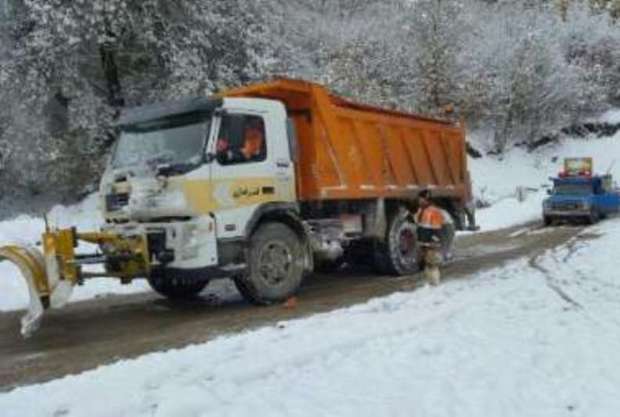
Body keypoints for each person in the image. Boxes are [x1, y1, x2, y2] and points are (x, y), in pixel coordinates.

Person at [414, 189, 446, 286]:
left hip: (431, 243)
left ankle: (435, 284)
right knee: (426, 265)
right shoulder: (421, 210)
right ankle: (430, 284)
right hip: (423, 242)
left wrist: (434, 241)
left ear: (426, 199)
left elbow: (437, 228)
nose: (419, 201)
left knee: (432, 264)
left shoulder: (434, 211)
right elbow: (420, 225)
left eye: (421, 199)